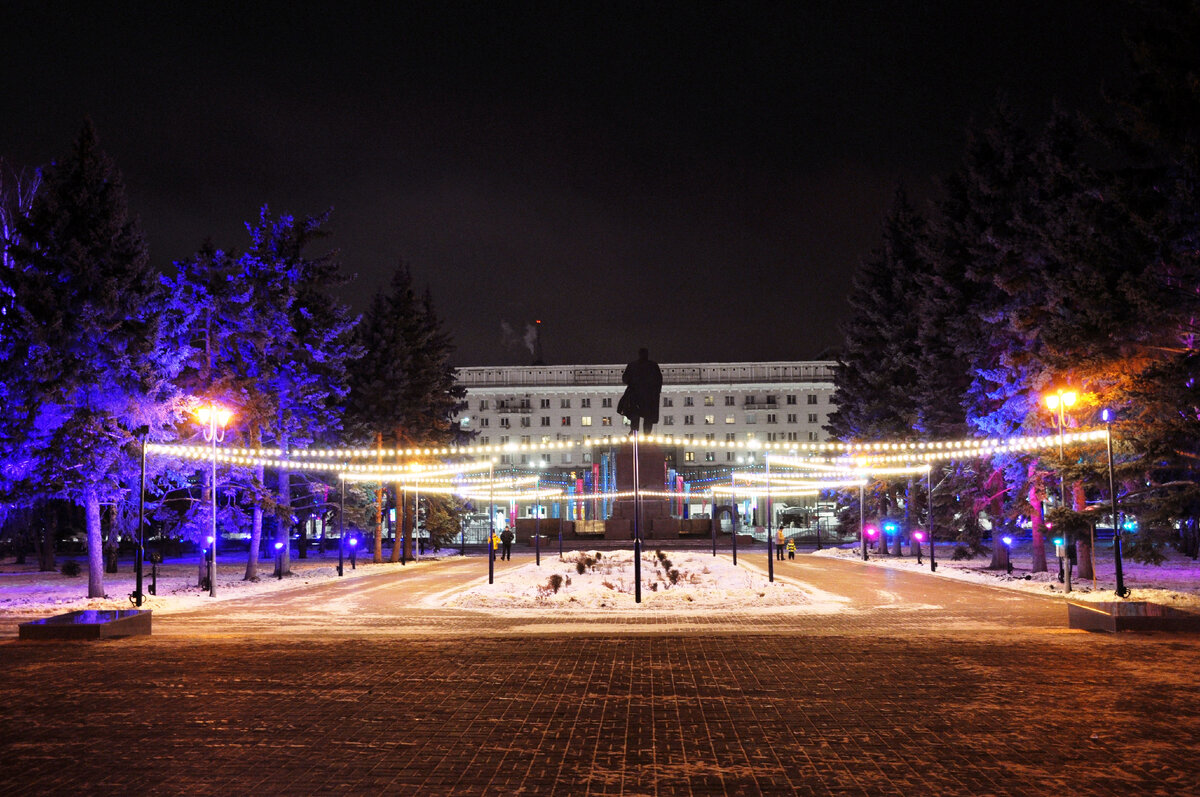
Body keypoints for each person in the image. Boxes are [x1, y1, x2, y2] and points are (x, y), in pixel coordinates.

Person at [619, 347, 663, 434]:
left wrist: (633, 383)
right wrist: (656, 392)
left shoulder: (632, 365)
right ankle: (646, 434)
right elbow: (659, 380)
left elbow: (625, 379)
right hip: (648, 396)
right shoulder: (653, 365)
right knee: (648, 416)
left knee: (636, 414)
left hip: (636, 395)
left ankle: (634, 431)